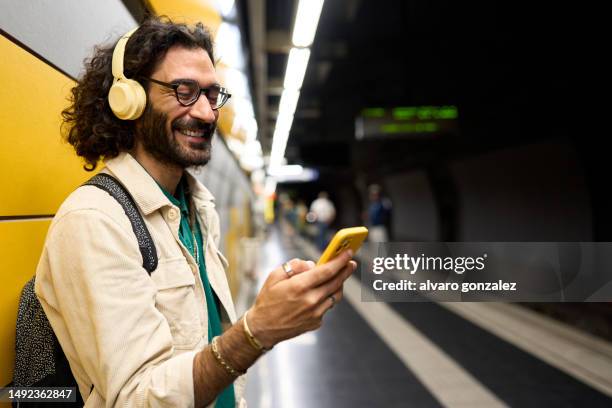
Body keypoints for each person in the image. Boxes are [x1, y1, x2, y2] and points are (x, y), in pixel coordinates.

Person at [35, 17, 355, 408]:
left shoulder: (196, 209)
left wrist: (278, 308)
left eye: (212, 94)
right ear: (128, 98)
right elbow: (136, 399)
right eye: (184, 91)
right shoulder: (95, 221)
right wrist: (256, 331)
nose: (206, 113)